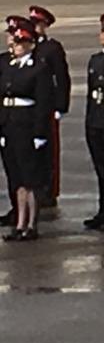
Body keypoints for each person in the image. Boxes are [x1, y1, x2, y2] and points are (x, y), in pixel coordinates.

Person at [0, 19, 54, 241]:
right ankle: (19, 222)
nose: (18, 46)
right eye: (17, 42)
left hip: (27, 125)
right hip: (10, 124)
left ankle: (31, 223)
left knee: (30, 178)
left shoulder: (39, 68)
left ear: (31, 44)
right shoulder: (8, 66)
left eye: (23, 42)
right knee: (16, 177)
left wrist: (40, 133)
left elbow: (43, 104)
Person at [28, 6, 69, 208]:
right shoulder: (27, 46)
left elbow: (61, 78)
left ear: (45, 26)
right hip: (30, 107)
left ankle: (49, 190)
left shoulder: (51, 48)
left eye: (38, 24)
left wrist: (60, 106)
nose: (35, 28)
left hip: (48, 106)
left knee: (49, 150)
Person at [83, 13, 104, 230]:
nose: (103, 35)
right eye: (103, 31)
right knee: (102, 170)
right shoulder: (95, 60)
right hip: (95, 120)